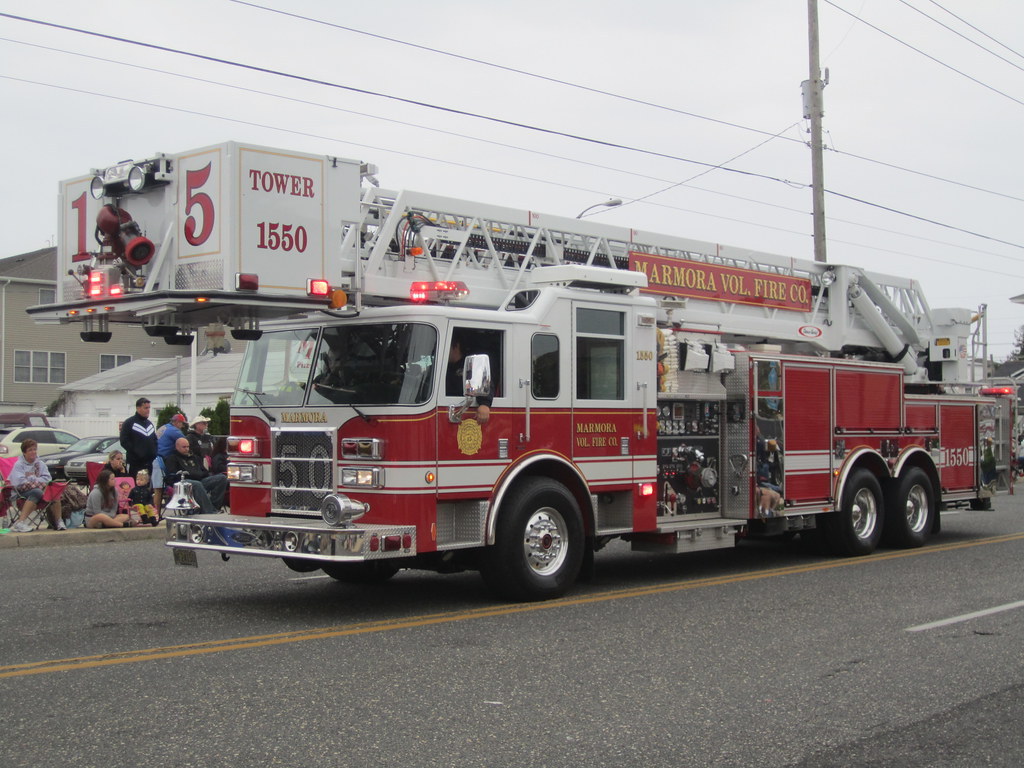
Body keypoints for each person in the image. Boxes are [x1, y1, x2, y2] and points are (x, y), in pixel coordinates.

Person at [8, 439, 65, 532]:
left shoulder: (40, 464)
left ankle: (58, 521)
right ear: (24, 453)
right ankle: (20, 522)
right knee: (37, 492)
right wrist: (37, 481)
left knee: (55, 493)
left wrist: (33, 479)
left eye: (35, 449)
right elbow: (19, 481)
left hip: (39, 491)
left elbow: (47, 478)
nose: (33, 452)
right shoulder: (19, 465)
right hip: (21, 491)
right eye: (30, 450)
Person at [163, 437, 226, 514]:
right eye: (184, 447)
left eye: (188, 447)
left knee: (221, 478)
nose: (187, 449)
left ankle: (214, 507)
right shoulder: (172, 458)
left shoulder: (194, 457)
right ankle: (210, 511)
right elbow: (172, 476)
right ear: (177, 447)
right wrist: (192, 475)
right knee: (197, 484)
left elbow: (204, 471)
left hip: (200, 480)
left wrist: (205, 475)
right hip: (184, 484)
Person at [446, 337, 492, 423]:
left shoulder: (471, 366)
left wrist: (484, 404)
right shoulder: (445, 368)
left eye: (445, 347)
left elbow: (479, 384)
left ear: (456, 346)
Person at [120, 397, 157, 477]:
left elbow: (154, 440)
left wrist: (154, 452)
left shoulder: (149, 424)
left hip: (149, 463)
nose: (148, 410)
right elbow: (124, 441)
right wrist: (137, 453)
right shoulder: (129, 423)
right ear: (138, 408)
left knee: (147, 487)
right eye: (145, 408)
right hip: (135, 464)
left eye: (149, 408)